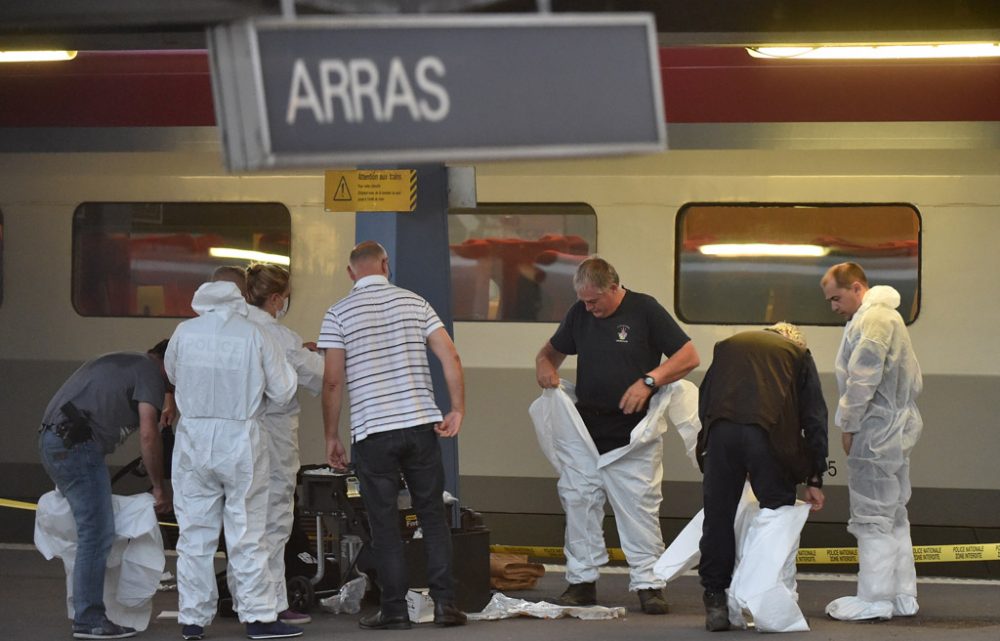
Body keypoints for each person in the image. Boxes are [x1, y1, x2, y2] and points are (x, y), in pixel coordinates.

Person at [534, 256, 700, 614]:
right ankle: (581, 581)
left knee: (639, 507)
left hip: (632, 432)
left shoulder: (645, 310)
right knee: (579, 502)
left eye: (594, 300)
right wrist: (544, 367)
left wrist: (649, 381)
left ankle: (648, 583)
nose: (589, 307)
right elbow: (549, 352)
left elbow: (688, 356)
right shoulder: (580, 314)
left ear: (614, 287)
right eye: (584, 301)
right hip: (587, 429)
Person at [318, 241, 467, 630]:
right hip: (420, 425)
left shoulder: (338, 313)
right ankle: (446, 605)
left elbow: (332, 381)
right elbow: (450, 356)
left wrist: (331, 435)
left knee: (384, 523)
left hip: (373, 433)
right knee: (432, 516)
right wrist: (457, 408)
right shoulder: (416, 303)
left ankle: (395, 610)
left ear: (351, 273)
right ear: (386, 265)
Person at [166, 280, 301, 641]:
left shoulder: (184, 332)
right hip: (241, 439)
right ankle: (258, 620)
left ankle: (192, 622)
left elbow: (173, 375)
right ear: (239, 300)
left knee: (194, 534)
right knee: (248, 531)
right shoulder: (255, 334)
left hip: (193, 439)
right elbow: (285, 390)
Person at [695, 323, 828, 631]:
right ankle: (759, 595)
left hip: (721, 434)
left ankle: (715, 600)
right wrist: (815, 477)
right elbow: (814, 417)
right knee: (776, 512)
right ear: (793, 340)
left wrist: (710, 447)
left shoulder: (728, 346)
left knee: (719, 516)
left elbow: (706, 400)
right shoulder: (797, 353)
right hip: (767, 436)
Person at [38, 341, 173, 640]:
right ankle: (89, 619)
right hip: (75, 447)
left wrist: (170, 399)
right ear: (167, 362)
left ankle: (87, 612)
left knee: (91, 530)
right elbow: (149, 434)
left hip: (57, 441)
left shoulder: (129, 362)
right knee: (96, 533)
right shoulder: (150, 373)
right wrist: (158, 487)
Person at [820, 262, 923, 621]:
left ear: (857, 287)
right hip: (893, 430)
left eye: (836, 297)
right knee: (894, 514)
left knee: (872, 516)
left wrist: (848, 424)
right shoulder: (886, 319)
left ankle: (876, 597)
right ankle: (903, 593)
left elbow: (862, 378)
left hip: (875, 431)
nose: (833, 307)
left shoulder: (873, 321)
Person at [245, 263, 324, 626]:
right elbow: (319, 377)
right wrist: (321, 355)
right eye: (286, 298)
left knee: (243, 523)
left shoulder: (236, 329)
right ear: (275, 298)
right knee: (275, 522)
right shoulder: (280, 336)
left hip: (239, 439)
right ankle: (271, 608)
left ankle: (243, 599)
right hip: (274, 438)